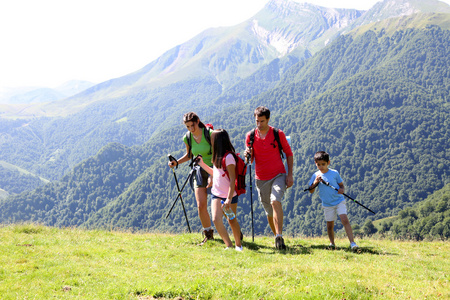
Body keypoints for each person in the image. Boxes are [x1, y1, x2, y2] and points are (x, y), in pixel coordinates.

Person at [244, 106, 294, 250]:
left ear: (268, 119)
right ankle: (278, 239)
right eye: (257, 121)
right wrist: (248, 154)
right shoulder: (251, 136)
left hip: (279, 174)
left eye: (262, 121)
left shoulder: (278, 134)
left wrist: (289, 174)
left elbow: (289, 154)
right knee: (269, 212)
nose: (259, 124)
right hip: (261, 178)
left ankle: (279, 235)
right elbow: (251, 160)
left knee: (275, 201)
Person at [168, 112, 214, 245]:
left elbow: (217, 154)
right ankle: (208, 234)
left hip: (213, 169)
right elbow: (189, 155)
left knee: (221, 205)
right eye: (187, 127)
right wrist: (176, 162)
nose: (191, 129)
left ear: (198, 121)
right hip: (199, 170)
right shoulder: (187, 137)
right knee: (201, 205)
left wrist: (212, 174)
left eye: (192, 125)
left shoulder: (210, 134)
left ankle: (234, 229)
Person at [197, 129, 243, 251]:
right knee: (215, 219)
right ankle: (229, 245)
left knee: (231, 220)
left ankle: (238, 246)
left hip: (229, 196)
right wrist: (201, 164)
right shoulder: (216, 156)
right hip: (216, 194)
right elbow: (216, 174)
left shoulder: (228, 158)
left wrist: (228, 199)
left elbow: (233, 179)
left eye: (211, 139)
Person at [307, 151, 358, 250]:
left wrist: (342, 190)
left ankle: (352, 243)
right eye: (318, 165)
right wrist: (315, 182)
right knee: (330, 225)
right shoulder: (315, 175)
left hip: (339, 201)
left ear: (328, 163)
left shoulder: (334, 173)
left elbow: (341, 185)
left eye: (323, 164)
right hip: (327, 204)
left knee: (344, 219)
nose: (321, 167)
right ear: (315, 163)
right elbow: (311, 191)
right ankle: (332, 244)